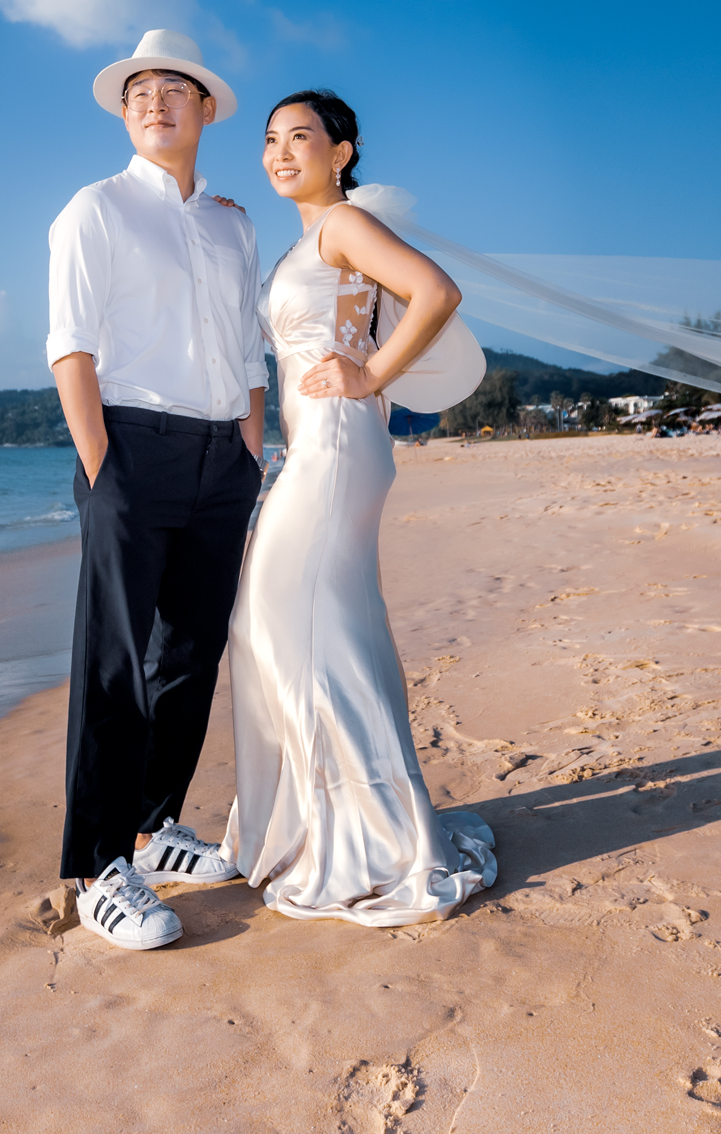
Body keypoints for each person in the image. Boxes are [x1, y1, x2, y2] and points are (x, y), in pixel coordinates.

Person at [224, 90, 498, 924]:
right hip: (321, 448)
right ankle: (328, 821)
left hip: (340, 442)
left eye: (299, 137)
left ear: (343, 151)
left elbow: (435, 292)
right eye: (270, 140)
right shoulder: (308, 240)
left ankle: (364, 836)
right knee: (311, 626)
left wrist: (371, 375)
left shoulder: (342, 226)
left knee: (284, 620)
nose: (280, 152)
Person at [46, 29, 264, 951]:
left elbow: (248, 347)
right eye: (139, 93)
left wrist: (251, 450)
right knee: (113, 660)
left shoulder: (234, 222)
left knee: (191, 655)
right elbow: (71, 346)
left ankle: (156, 825)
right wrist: (103, 463)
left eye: (174, 90)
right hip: (132, 446)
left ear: (205, 110)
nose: (154, 104)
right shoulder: (93, 210)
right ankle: (96, 867)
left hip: (225, 456)